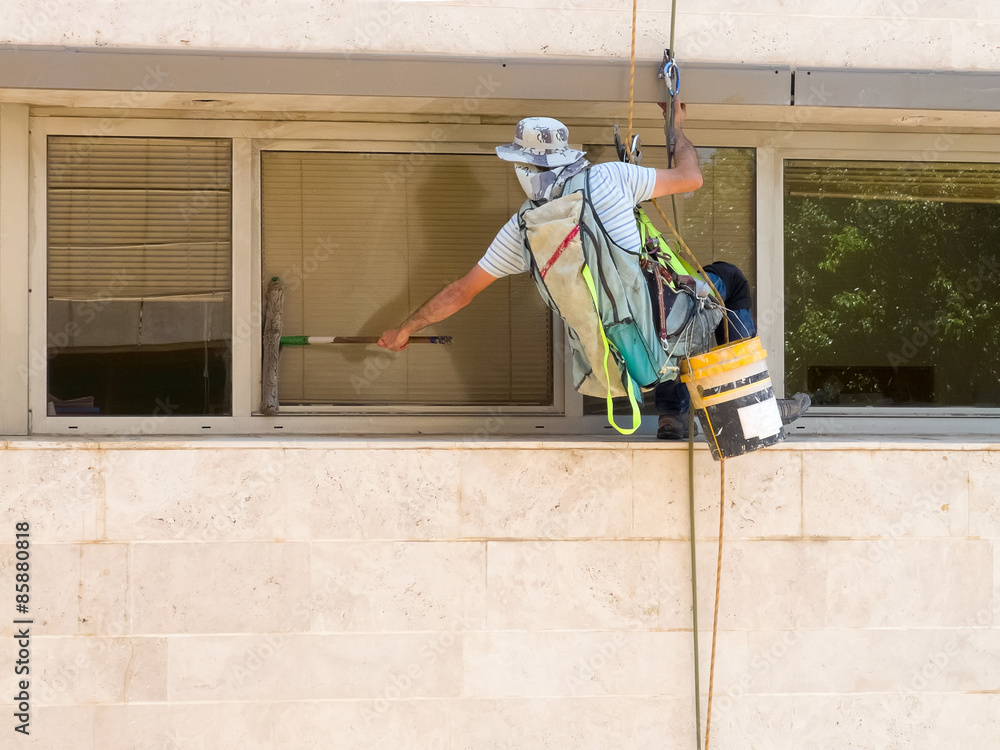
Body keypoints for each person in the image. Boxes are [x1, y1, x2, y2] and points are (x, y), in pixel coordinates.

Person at [378, 105, 810, 438]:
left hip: (625, 362)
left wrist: (404, 328)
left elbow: (460, 292)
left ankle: (672, 417)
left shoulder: (522, 230)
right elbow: (690, 176)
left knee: (649, 305)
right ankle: (752, 407)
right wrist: (676, 127)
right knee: (724, 280)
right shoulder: (608, 179)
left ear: (523, 167)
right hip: (670, 328)